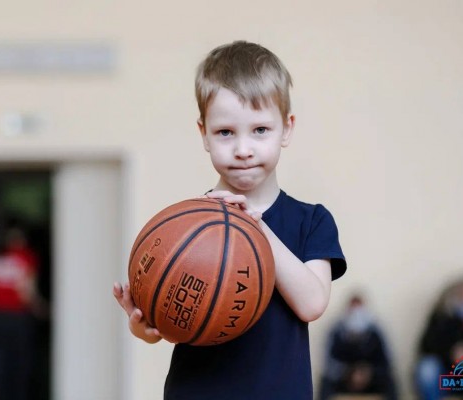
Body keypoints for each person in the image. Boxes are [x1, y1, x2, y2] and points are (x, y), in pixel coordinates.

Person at [114, 40, 347, 399]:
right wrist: (147, 327)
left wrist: (257, 228)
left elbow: (312, 304)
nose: (242, 149)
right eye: (225, 132)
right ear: (203, 133)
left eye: (260, 130)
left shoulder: (311, 220)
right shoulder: (187, 227)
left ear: (286, 129)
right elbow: (179, 320)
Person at [0, 221, 41, 400]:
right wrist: (44, 310)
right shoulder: (25, 257)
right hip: (17, 319)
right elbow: (27, 293)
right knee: (19, 369)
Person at [319, 294, 397, 400]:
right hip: (345, 379)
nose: (356, 314)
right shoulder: (337, 331)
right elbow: (329, 363)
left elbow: (386, 362)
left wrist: (368, 372)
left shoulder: (375, 332)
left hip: (370, 379)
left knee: (390, 382)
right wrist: (348, 372)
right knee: (325, 382)